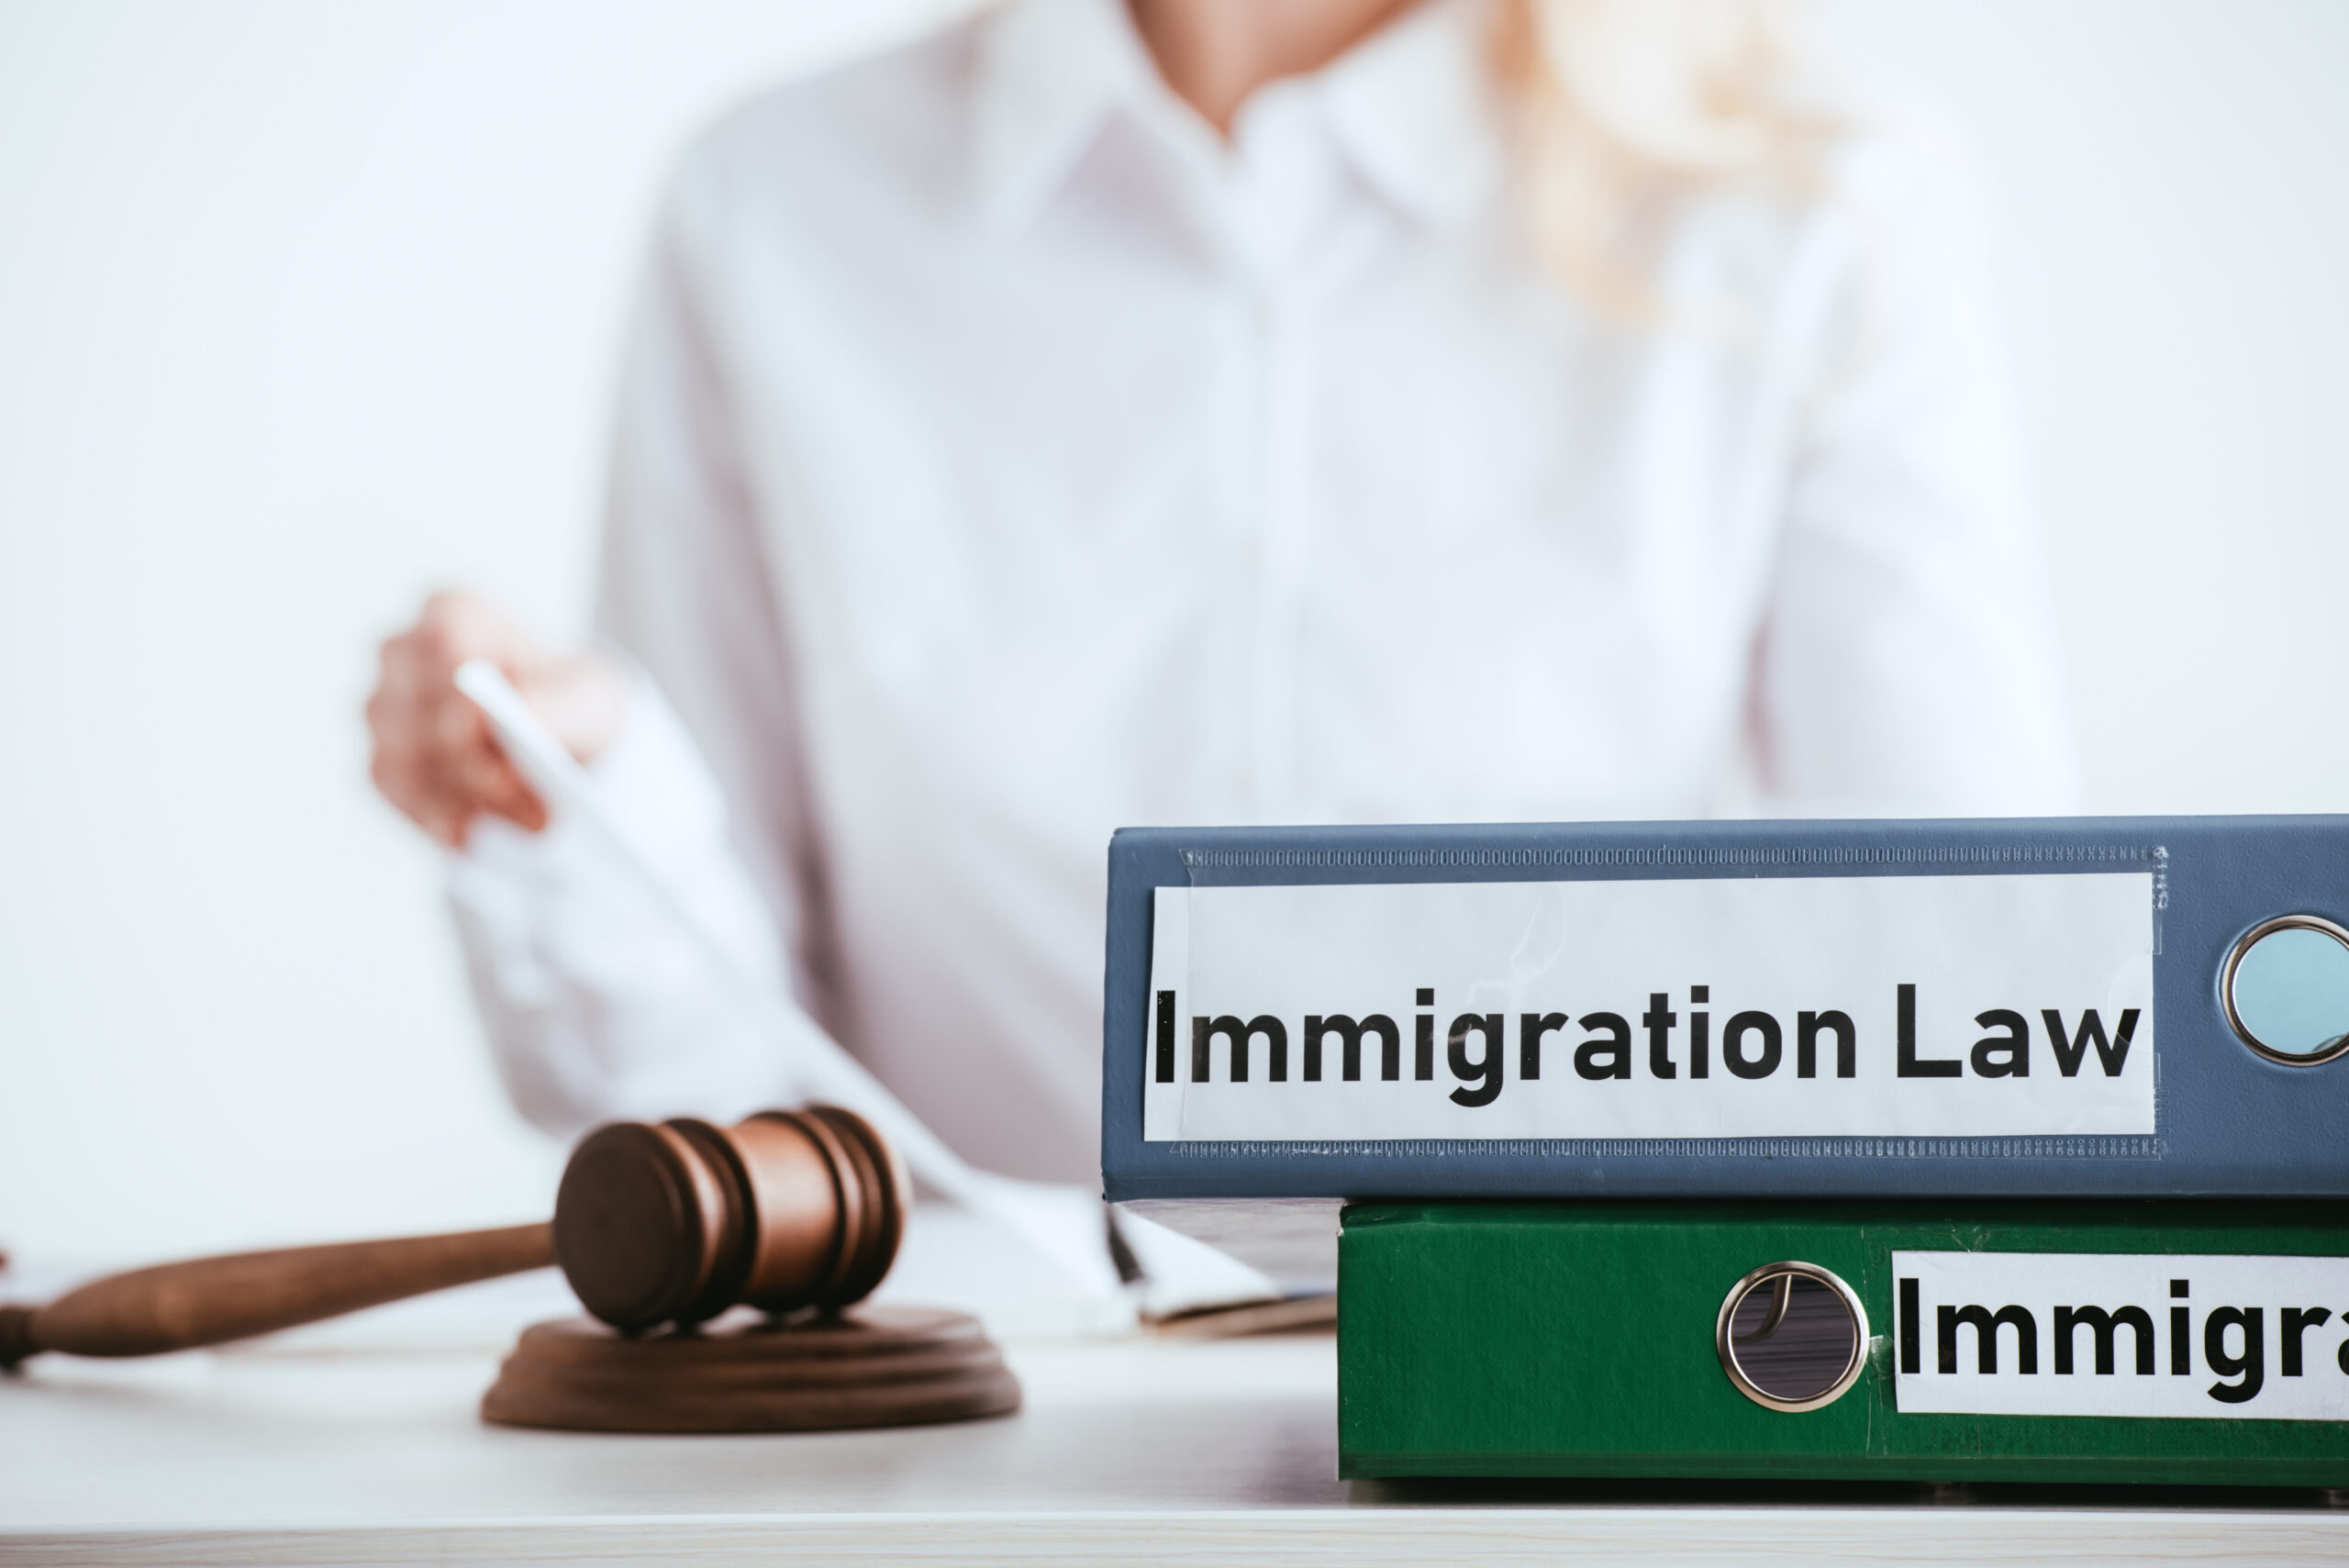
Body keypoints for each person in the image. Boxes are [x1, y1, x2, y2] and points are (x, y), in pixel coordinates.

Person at [366, 0, 2074, 1186]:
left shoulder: (1818, 205)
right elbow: (711, 1107)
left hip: (1589, 1445)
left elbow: (1976, 1014)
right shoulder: (778, 204)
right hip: (963, 1468)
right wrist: (578, 804)